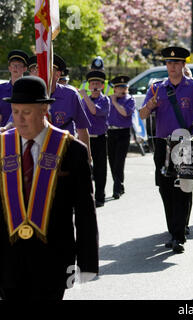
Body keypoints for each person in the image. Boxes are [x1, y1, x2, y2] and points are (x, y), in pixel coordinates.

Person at [0, 76, 98, 300]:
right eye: (15, 112)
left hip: (53, 259)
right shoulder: (2, 147)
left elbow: (85, 212)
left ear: (44, 109)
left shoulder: (73, 151)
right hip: (7, 260)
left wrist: (87, 262)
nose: (20, 120)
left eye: (26, 112)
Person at [139, 46, 193, 254]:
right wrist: (150, 105)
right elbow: (143, 115)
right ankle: (174, 229)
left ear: (183, 65)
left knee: (184, 187)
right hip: (163, 144)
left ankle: (178, 236)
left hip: (186, 143)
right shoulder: (156, 88)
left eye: (177, 63)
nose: (172, 66)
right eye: (169, 63)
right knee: (165, 189)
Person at [1, 55, 92, 161]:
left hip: (63, 153)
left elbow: (82, 129)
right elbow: (14, 122)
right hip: (36, 154)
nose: (40, 73)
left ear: (57, 74)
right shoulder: (29, 94)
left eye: (45, 69)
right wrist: (4, 129)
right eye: (36, 69)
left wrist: (87, 159)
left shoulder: (70, 95)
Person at [80, 70, 111, 208]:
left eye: (97, 83)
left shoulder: (105, 100)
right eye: (92, 83)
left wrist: (85, 96)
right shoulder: (83, 100)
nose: (95, 86)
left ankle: (100, 197)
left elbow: (94, 110)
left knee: (100, 169)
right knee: (84, 170)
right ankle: (86, 198)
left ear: (102, 86)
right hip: (85, 139)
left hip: (99, 139)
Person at [107, 75, 135, 199]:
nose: (123, 90)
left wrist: (114, 102)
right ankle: (120, 185)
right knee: (112, 162)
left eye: (125, 87)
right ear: (115, 89)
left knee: (119, 162)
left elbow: (125, 113)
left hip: (123, 133)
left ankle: (116, 189)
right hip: (111, 132)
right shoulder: (108, 99)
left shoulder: (130, 99)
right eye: (120, 87)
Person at [0, 50, 29, 127]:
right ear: (9, 68)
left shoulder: (30, 89)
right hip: (4, 134)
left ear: (25, 69)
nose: (15, 68)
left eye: (19, 65)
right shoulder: (1, 89)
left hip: (24, 133)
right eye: (13, 65)